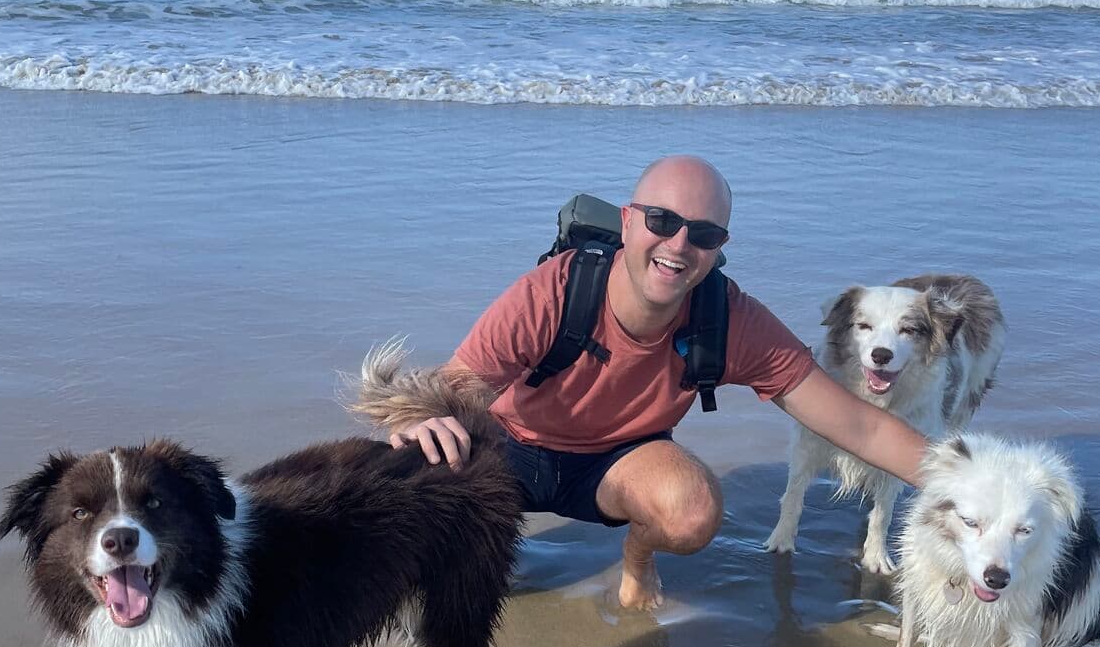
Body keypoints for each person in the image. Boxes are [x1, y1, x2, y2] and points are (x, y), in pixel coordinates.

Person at [390, 155, 929, 610]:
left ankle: (637, 558)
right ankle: (476, 552)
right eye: (661, 220)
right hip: (511, 452)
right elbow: (448, 389)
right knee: (415, 465)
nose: (679, 244)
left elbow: (860, 427)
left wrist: (962, 481)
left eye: (703, 234)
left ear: (719, 246)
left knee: (692, 512)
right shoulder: (554, 291)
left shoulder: (728, 319)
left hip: (618, 466)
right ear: (628, 222)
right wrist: (420, 419)